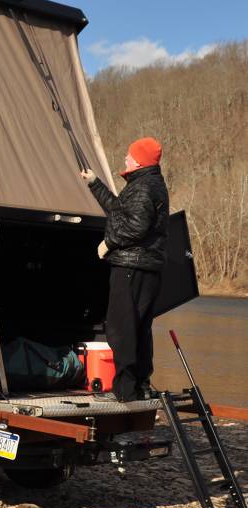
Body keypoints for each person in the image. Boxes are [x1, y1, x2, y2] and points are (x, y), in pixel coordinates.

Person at [81, 137, 169, 402]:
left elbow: (135, 227)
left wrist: (108, 243)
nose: (125, 159)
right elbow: (120, 212)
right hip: (144, 266)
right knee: (139, 328)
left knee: (122, 329)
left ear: (139, 160)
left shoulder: (143, 188)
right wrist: (95, 184)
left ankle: (125, 391)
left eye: (129, 156)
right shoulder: (147, 184)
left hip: (131, 266)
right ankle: (140, 385)